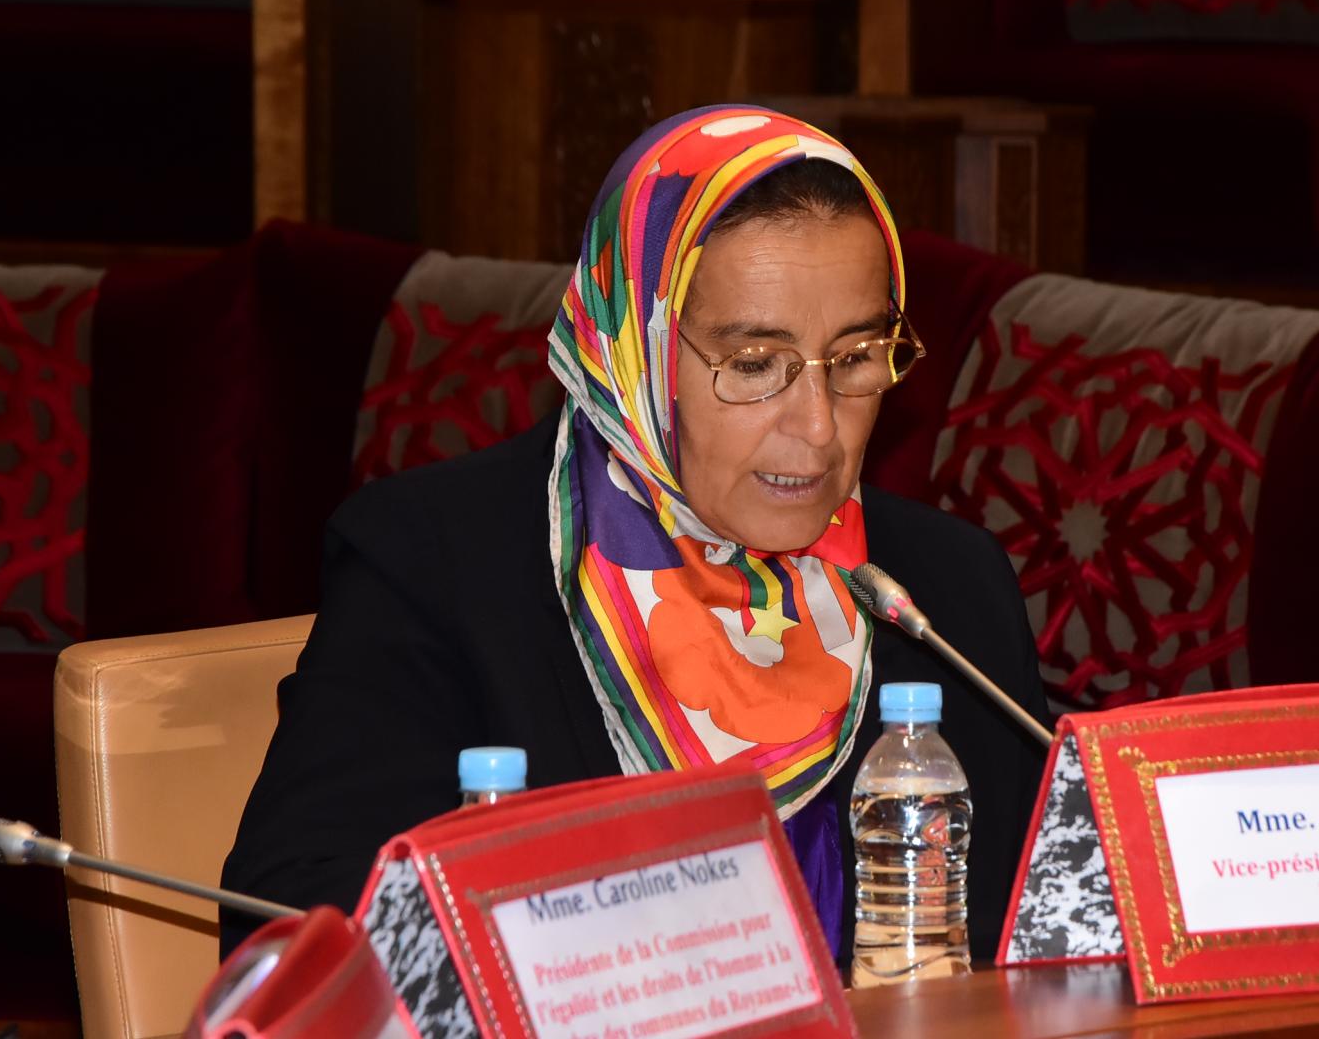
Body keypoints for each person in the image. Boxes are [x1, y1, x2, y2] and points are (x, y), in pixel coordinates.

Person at [219, 106, 1051, 963]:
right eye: (756, 365)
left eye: (854, 358)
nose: (819, 430)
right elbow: (282, 922)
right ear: (636, 352)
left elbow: (1040, 938)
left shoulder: (941, 591)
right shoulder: (435, 566)